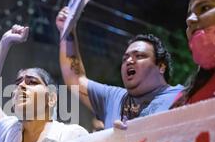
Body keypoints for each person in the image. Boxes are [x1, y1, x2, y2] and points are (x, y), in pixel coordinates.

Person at [56, 8, 184, 129]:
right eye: (125, 58)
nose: (129, 61)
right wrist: (67, 30)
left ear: (161, 66)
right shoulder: (112, 98)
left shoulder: (182, 96)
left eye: (139, 56)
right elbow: (74, 79)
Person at [0, 25, 88, 142]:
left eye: (32, 82)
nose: (21, 86)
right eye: (18, 83)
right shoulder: (9, 135)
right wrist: (5, 41)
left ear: (52, 98)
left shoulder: (71, 136)